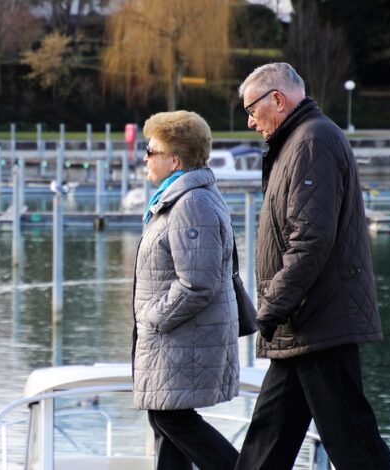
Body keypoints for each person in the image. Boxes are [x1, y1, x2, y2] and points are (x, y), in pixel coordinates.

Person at [235, 62, 390, 469]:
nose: (251, 122)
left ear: (277, 99)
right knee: (266, 443)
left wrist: (270, 308)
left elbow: (310, 241)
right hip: (303, 323)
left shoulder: (312, 142)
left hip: (319, 322)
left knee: (354, 445)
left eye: (252, 110)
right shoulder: (299, 142)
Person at [132, 110, 239, 470]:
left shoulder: (191, 203)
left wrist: (152, 318)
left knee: (171, 419)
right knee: (165, 423)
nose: (144, 157)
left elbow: (198, 282)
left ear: (174, 160)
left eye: (150, 151)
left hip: (178, 338)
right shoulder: (177, 199)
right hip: (174, 339)